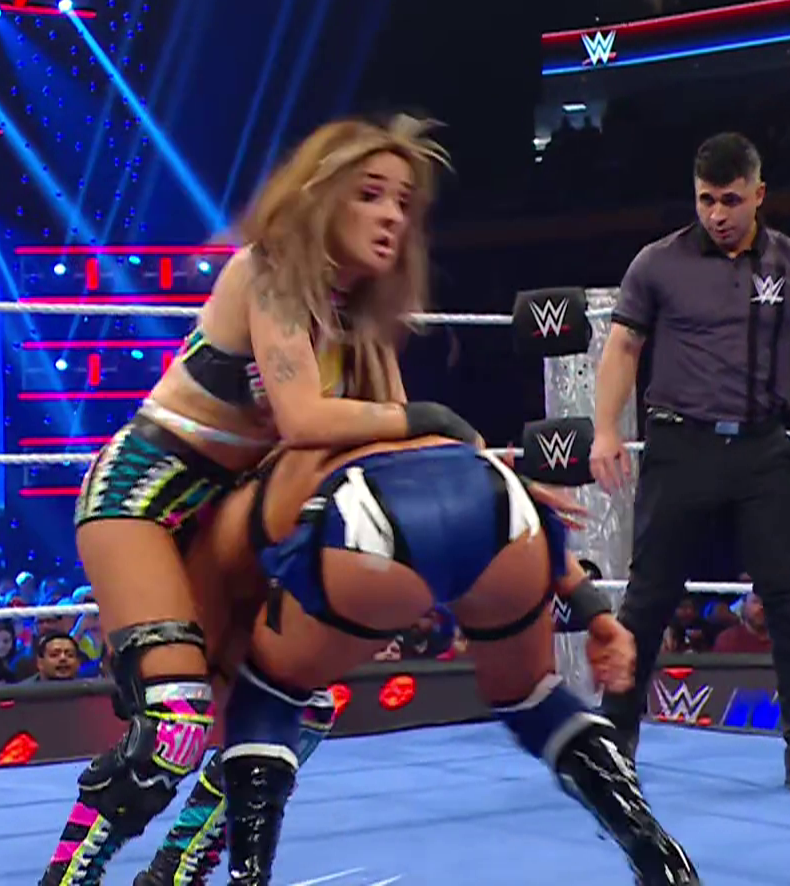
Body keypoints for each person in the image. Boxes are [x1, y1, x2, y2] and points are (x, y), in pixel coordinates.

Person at [42, 115, 484, 886]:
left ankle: (178, 870)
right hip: (144, 495)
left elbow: (396, 449)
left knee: (296, 710)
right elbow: (308, 420)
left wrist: (500, 491)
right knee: (175, 728)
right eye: (370, 194)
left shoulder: (364, 323)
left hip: (235, 517)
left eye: (403, 202)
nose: (391, 215)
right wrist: (434, 418)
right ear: (321, 195)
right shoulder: (269, 272)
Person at [174, 434, 699, 886]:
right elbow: (502, 491)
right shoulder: (406, 416)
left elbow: (211, 676)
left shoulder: (243, 489)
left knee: (267, 691)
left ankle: (247, 878)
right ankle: (661, 859)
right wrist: (595, 611)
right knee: (530, 696)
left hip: (369, 516)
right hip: (499, 498)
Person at [587, 132, 790, 798]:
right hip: (679, 444)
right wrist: (604, 431)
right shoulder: (658, 263)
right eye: (706, 200)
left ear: (759, 194)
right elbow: (623, 347)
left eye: (731, 200)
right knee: (649, 597)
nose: (717, 214)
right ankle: (615, 743)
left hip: (762, 448)